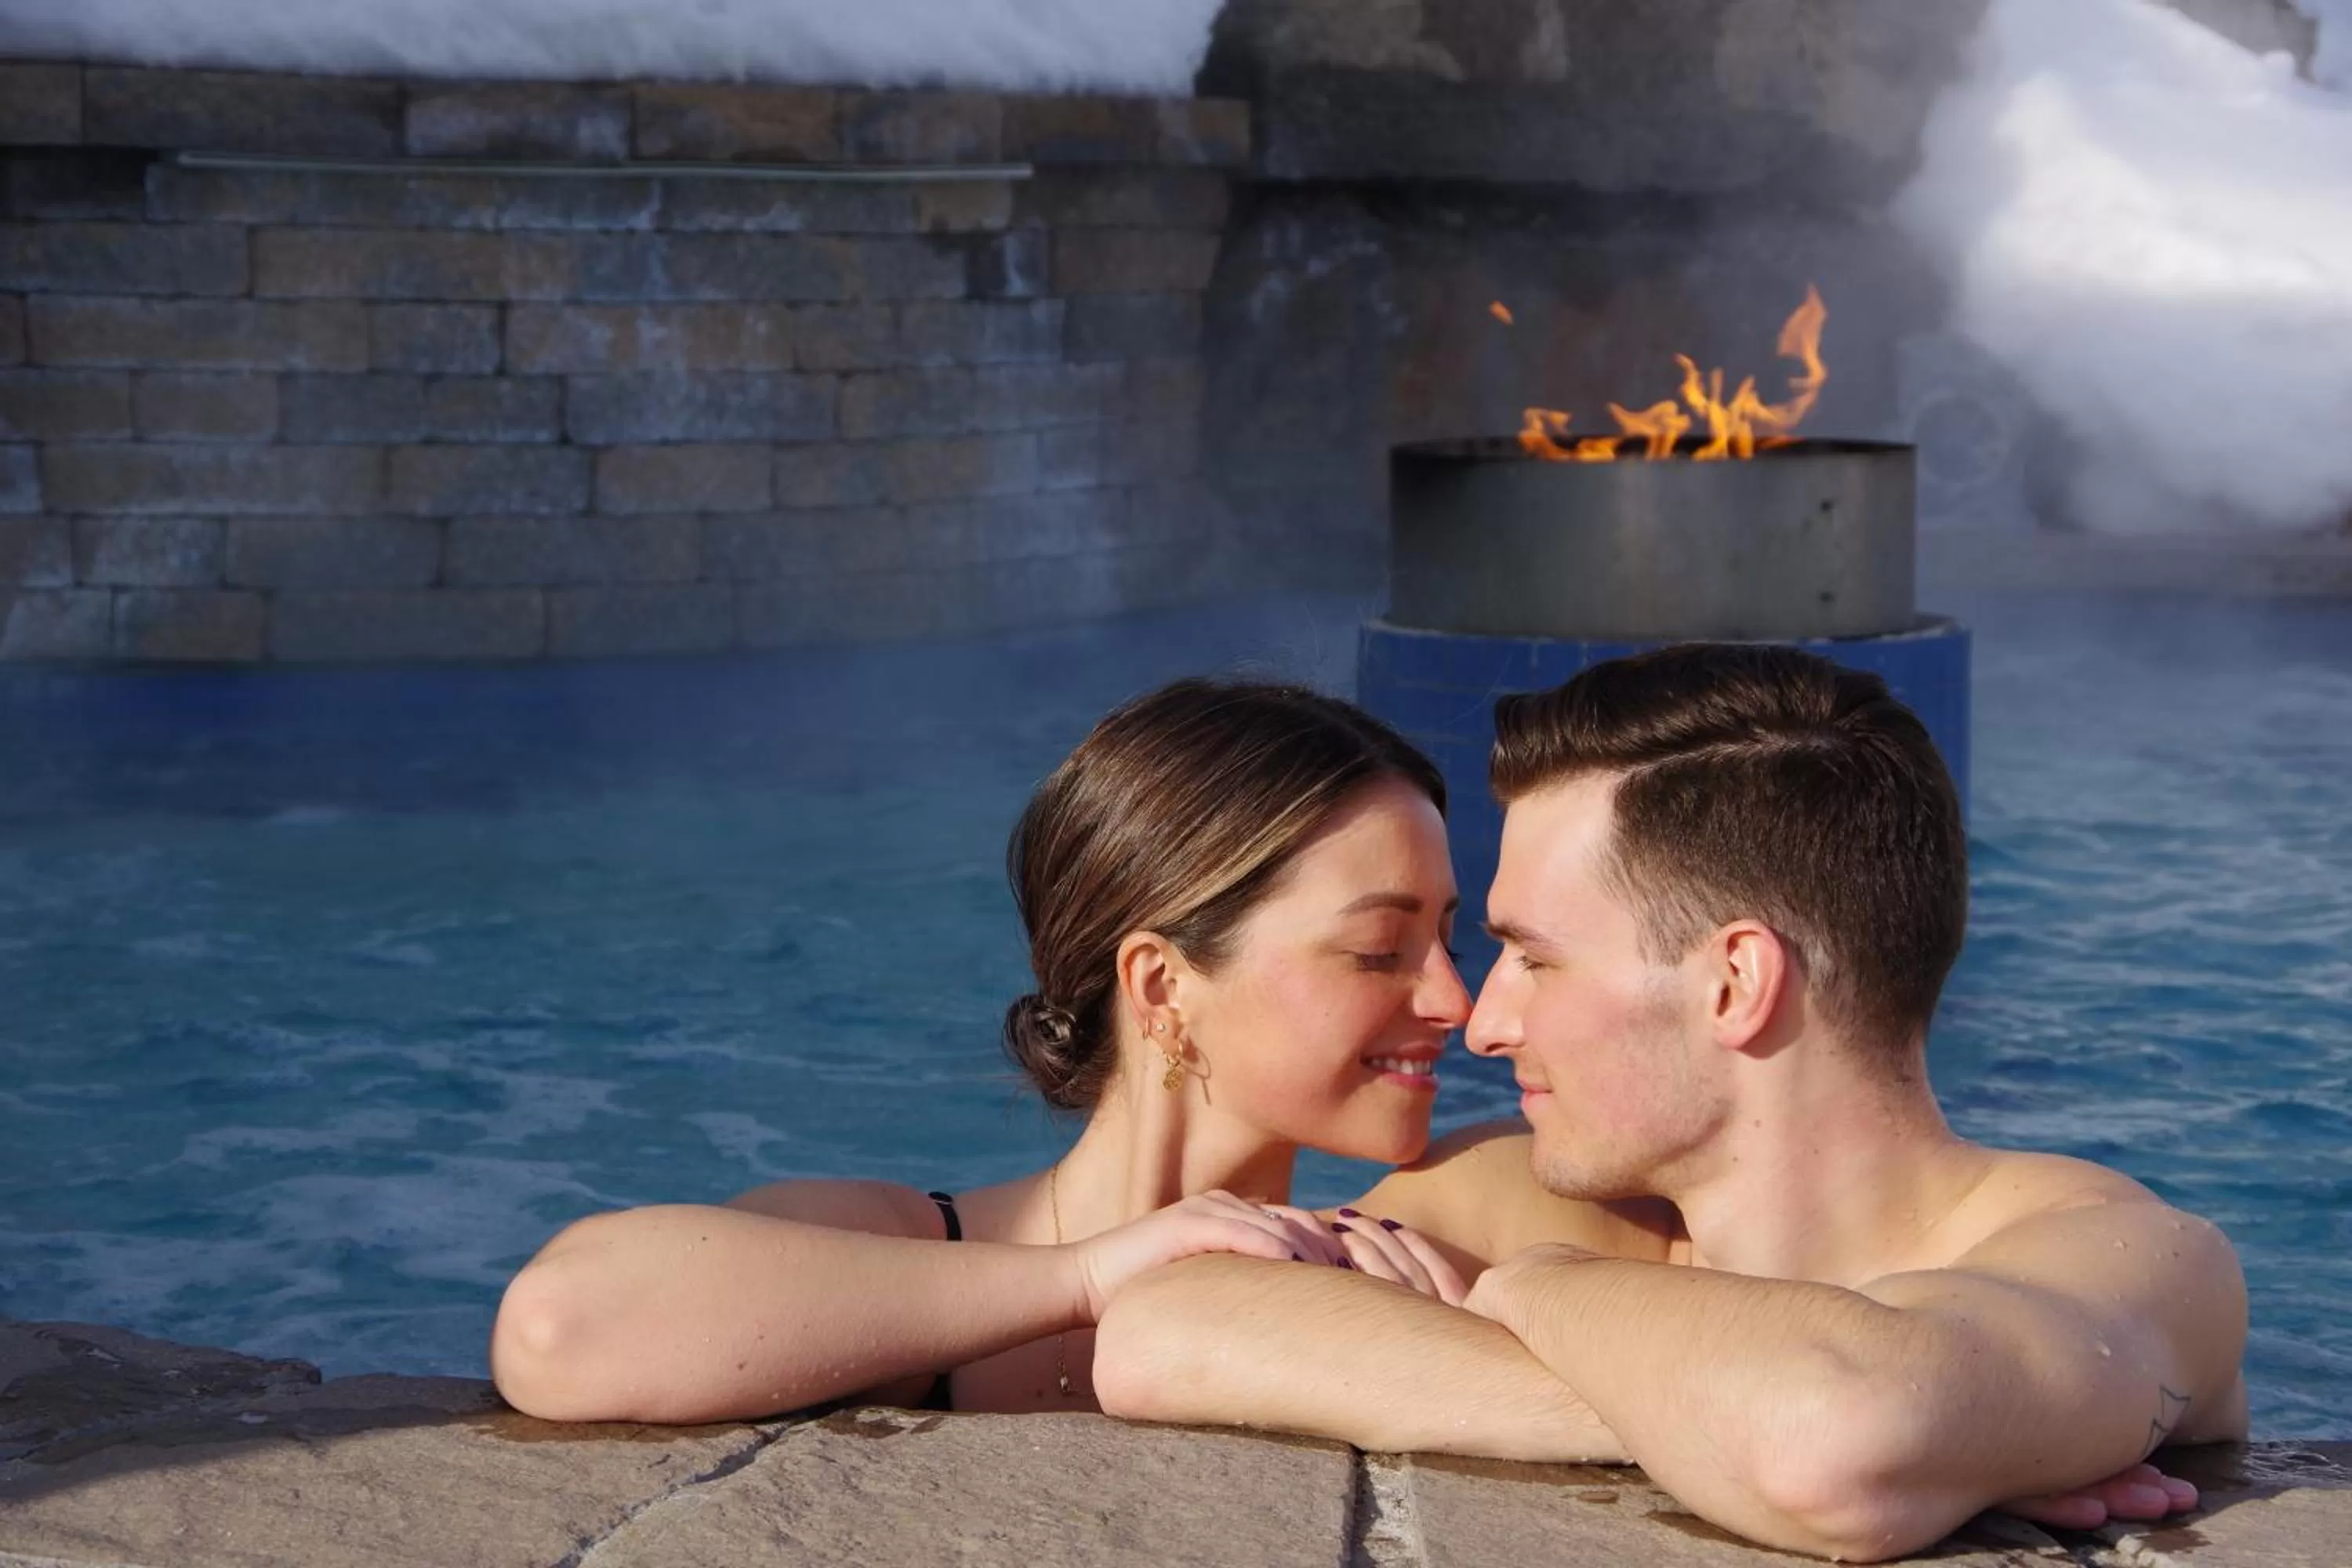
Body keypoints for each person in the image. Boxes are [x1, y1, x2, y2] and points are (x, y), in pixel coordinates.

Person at [1091, 644, 2245, 1562]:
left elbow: (1827, 1440)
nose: (1485, 1024)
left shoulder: (2131, 1256)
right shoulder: (1526, 1188)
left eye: (1535, 960)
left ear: (1734, 984)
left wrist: (1534, 1290)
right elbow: (1165, 1328)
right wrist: (1701, 1419)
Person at [488, 678, 1479, 1422]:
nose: (1455, 998)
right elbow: (563, 1322)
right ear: (1162, 986)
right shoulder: (911, 1248)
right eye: (1380, 950)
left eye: (1450, 939)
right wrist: (1086, 1280)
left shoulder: (1415, 1238)